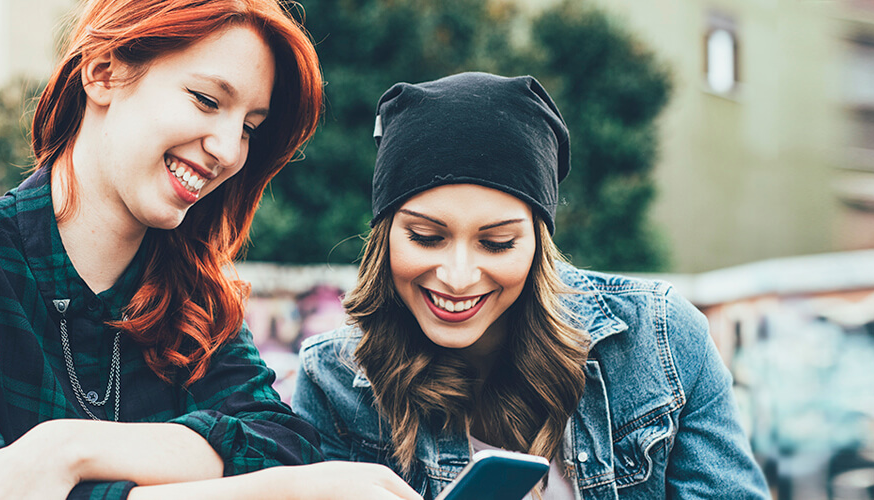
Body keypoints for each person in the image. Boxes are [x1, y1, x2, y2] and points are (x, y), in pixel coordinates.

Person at [0, 1, 419, 499]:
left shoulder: (198, 300)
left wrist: (69, 452)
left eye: (250, 128)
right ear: (103, 72)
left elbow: (279, 444)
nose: (228, 151)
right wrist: (278, 492)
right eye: (207, 100)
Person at [293, 72, 771, 500]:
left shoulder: (660, 338)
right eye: (425, 237)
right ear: (385, 237)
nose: (458, 277)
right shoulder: (332, 381)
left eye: (497, 243)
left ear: (538, 245)